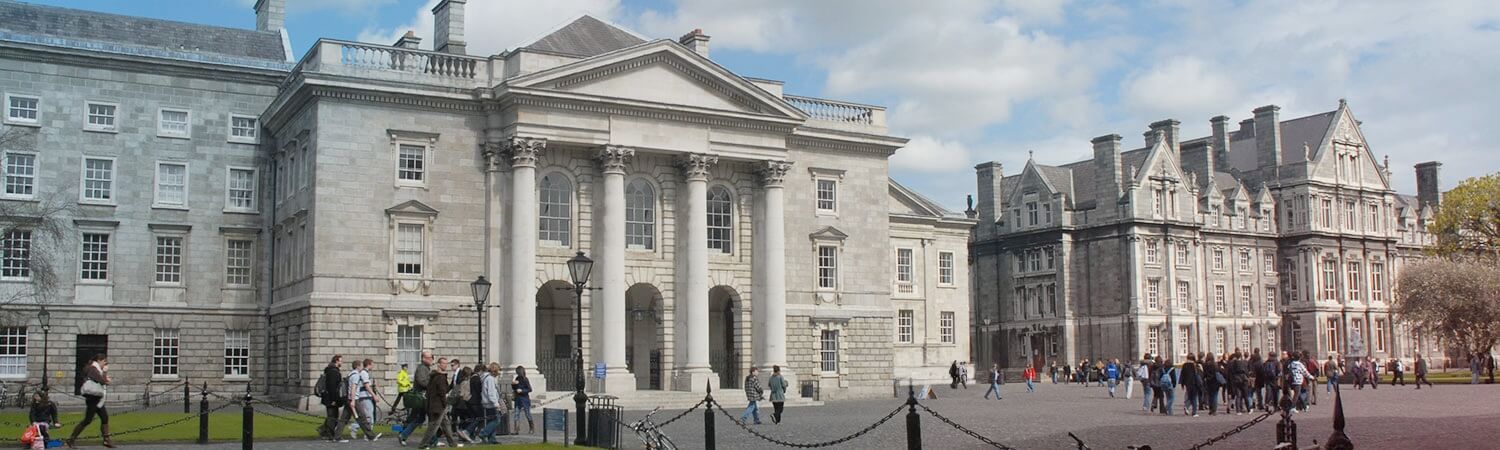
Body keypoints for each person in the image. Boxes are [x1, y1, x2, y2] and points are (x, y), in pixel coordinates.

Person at [67, 353, 113, 448]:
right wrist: (105, 373)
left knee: (105, 418)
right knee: (87, 420)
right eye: (104, 361)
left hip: (97, 398)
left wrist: (104, 377)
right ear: (99, 360)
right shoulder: (92, 369)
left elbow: (101, 380)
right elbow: (102, 381)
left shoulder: (95, 369)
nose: (105, 364)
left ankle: (106, 440)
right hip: (93, 398)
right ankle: (71, 440)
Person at [418, 361, 458, 449]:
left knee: (446, 425)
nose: (446, 365)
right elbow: (442, 393)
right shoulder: (439, 377)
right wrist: (445, 404)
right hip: (438, 406)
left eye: (446, 363)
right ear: (439, 364)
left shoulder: (434, 376)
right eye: (443, 363)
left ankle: (452, 443)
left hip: (436, 405)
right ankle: (423, 444)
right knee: (433, 426)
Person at [398, 351, 434, 445]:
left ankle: (403, 435)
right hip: (422, 398)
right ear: (423, 358)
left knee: (420, 418)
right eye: (430, 357)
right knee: (432, 418)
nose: (432, 359)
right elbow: (422, 382)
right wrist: (433, 384)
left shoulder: (426, 368)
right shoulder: (422, 368)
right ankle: (432, 440)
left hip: (423, 397)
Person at [351, 358, 384, 442]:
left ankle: (366, 433)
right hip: (365, 397)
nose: (373, 366)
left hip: (366, 396)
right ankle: (361, 430)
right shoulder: (364, 373)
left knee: (367, 416)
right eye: (372, 364)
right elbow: (366, 386)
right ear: (369, 364)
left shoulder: (366, 373)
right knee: (369, 417)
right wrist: (374, 395)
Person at [317, 355, 348, 442]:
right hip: (331, 398)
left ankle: (323, 430)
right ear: (336, 361)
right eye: (340, 361)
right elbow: (332, 387)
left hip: (329, 397)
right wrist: (334, 400)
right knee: (333, 417)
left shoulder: (330, 370)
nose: (341, 362)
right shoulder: (333, 372)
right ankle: (330, 435)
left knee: (332, 416)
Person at [477, 363, 504, 443]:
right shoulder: (490, 379)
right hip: (491, 403)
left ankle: (492, 439)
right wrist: (496, 404)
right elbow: (491, 393)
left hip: (486, 402)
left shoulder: (485, 377)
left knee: (490, 420)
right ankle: (483, 433)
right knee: (496, 420)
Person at [512, 365, 534, 434]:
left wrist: (522, 390)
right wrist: (513, 384)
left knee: (528, 414)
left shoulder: (525, 379)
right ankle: (516, 430)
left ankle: (531, 428)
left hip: (524, 399)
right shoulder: (517, 378)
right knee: (516, 414)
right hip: (518, 399)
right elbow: (514, 388)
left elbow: (530, 389)